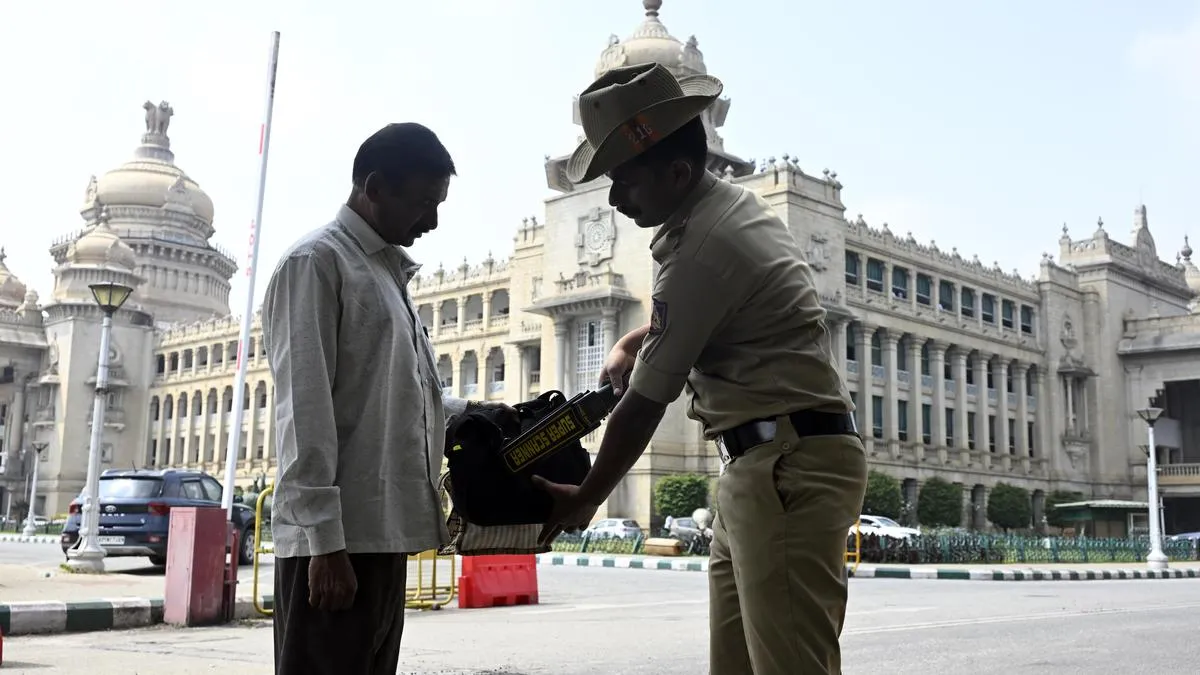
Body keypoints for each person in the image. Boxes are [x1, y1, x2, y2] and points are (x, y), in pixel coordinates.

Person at [532, 63, 869, 674]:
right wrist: (643, 337)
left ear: (678, 172)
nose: (613, 199)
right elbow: (713, 315)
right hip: (765, 465)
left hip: (785, 468)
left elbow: (643, 403)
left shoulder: (702, 249)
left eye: (625, 182)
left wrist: (586, 497)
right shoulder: (729, 212)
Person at [262, 122, 515, 675]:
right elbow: (303, 414)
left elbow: (403, 399)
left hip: (381, 536)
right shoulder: (316, 263)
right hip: (335, 546)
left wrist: (478, 415)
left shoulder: (385, 274)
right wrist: (325, 546)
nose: (433, 220)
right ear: (375, 188)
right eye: (425, 202)